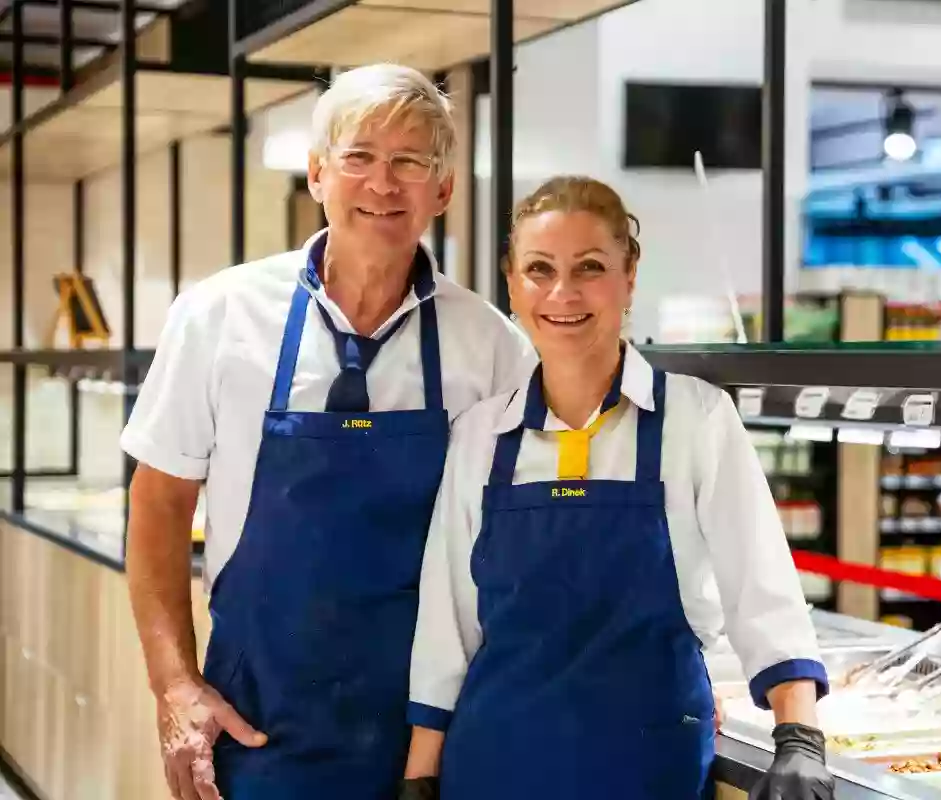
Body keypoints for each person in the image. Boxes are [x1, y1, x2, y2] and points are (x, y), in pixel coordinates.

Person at [120, 63, 532, 800]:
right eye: (360, 158)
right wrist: (175, 688)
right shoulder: (219, 316)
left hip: (433, 737)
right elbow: (157, 505)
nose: (383, 184)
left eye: (411, 163)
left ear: (443, 190)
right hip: (259, 729)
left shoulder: (493, 348)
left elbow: (518, 542)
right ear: (316, 175)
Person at [402, 176, 834, 800]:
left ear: (630, 277)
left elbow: (761, 589)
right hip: (498, 761)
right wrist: (420, 774)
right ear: (512, 283)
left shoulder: (695, 418)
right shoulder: (480, 436)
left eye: (590, 267)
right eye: (539, 269)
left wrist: (800, 739)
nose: (563, 292)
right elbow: (448, 625)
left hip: (650, 761)